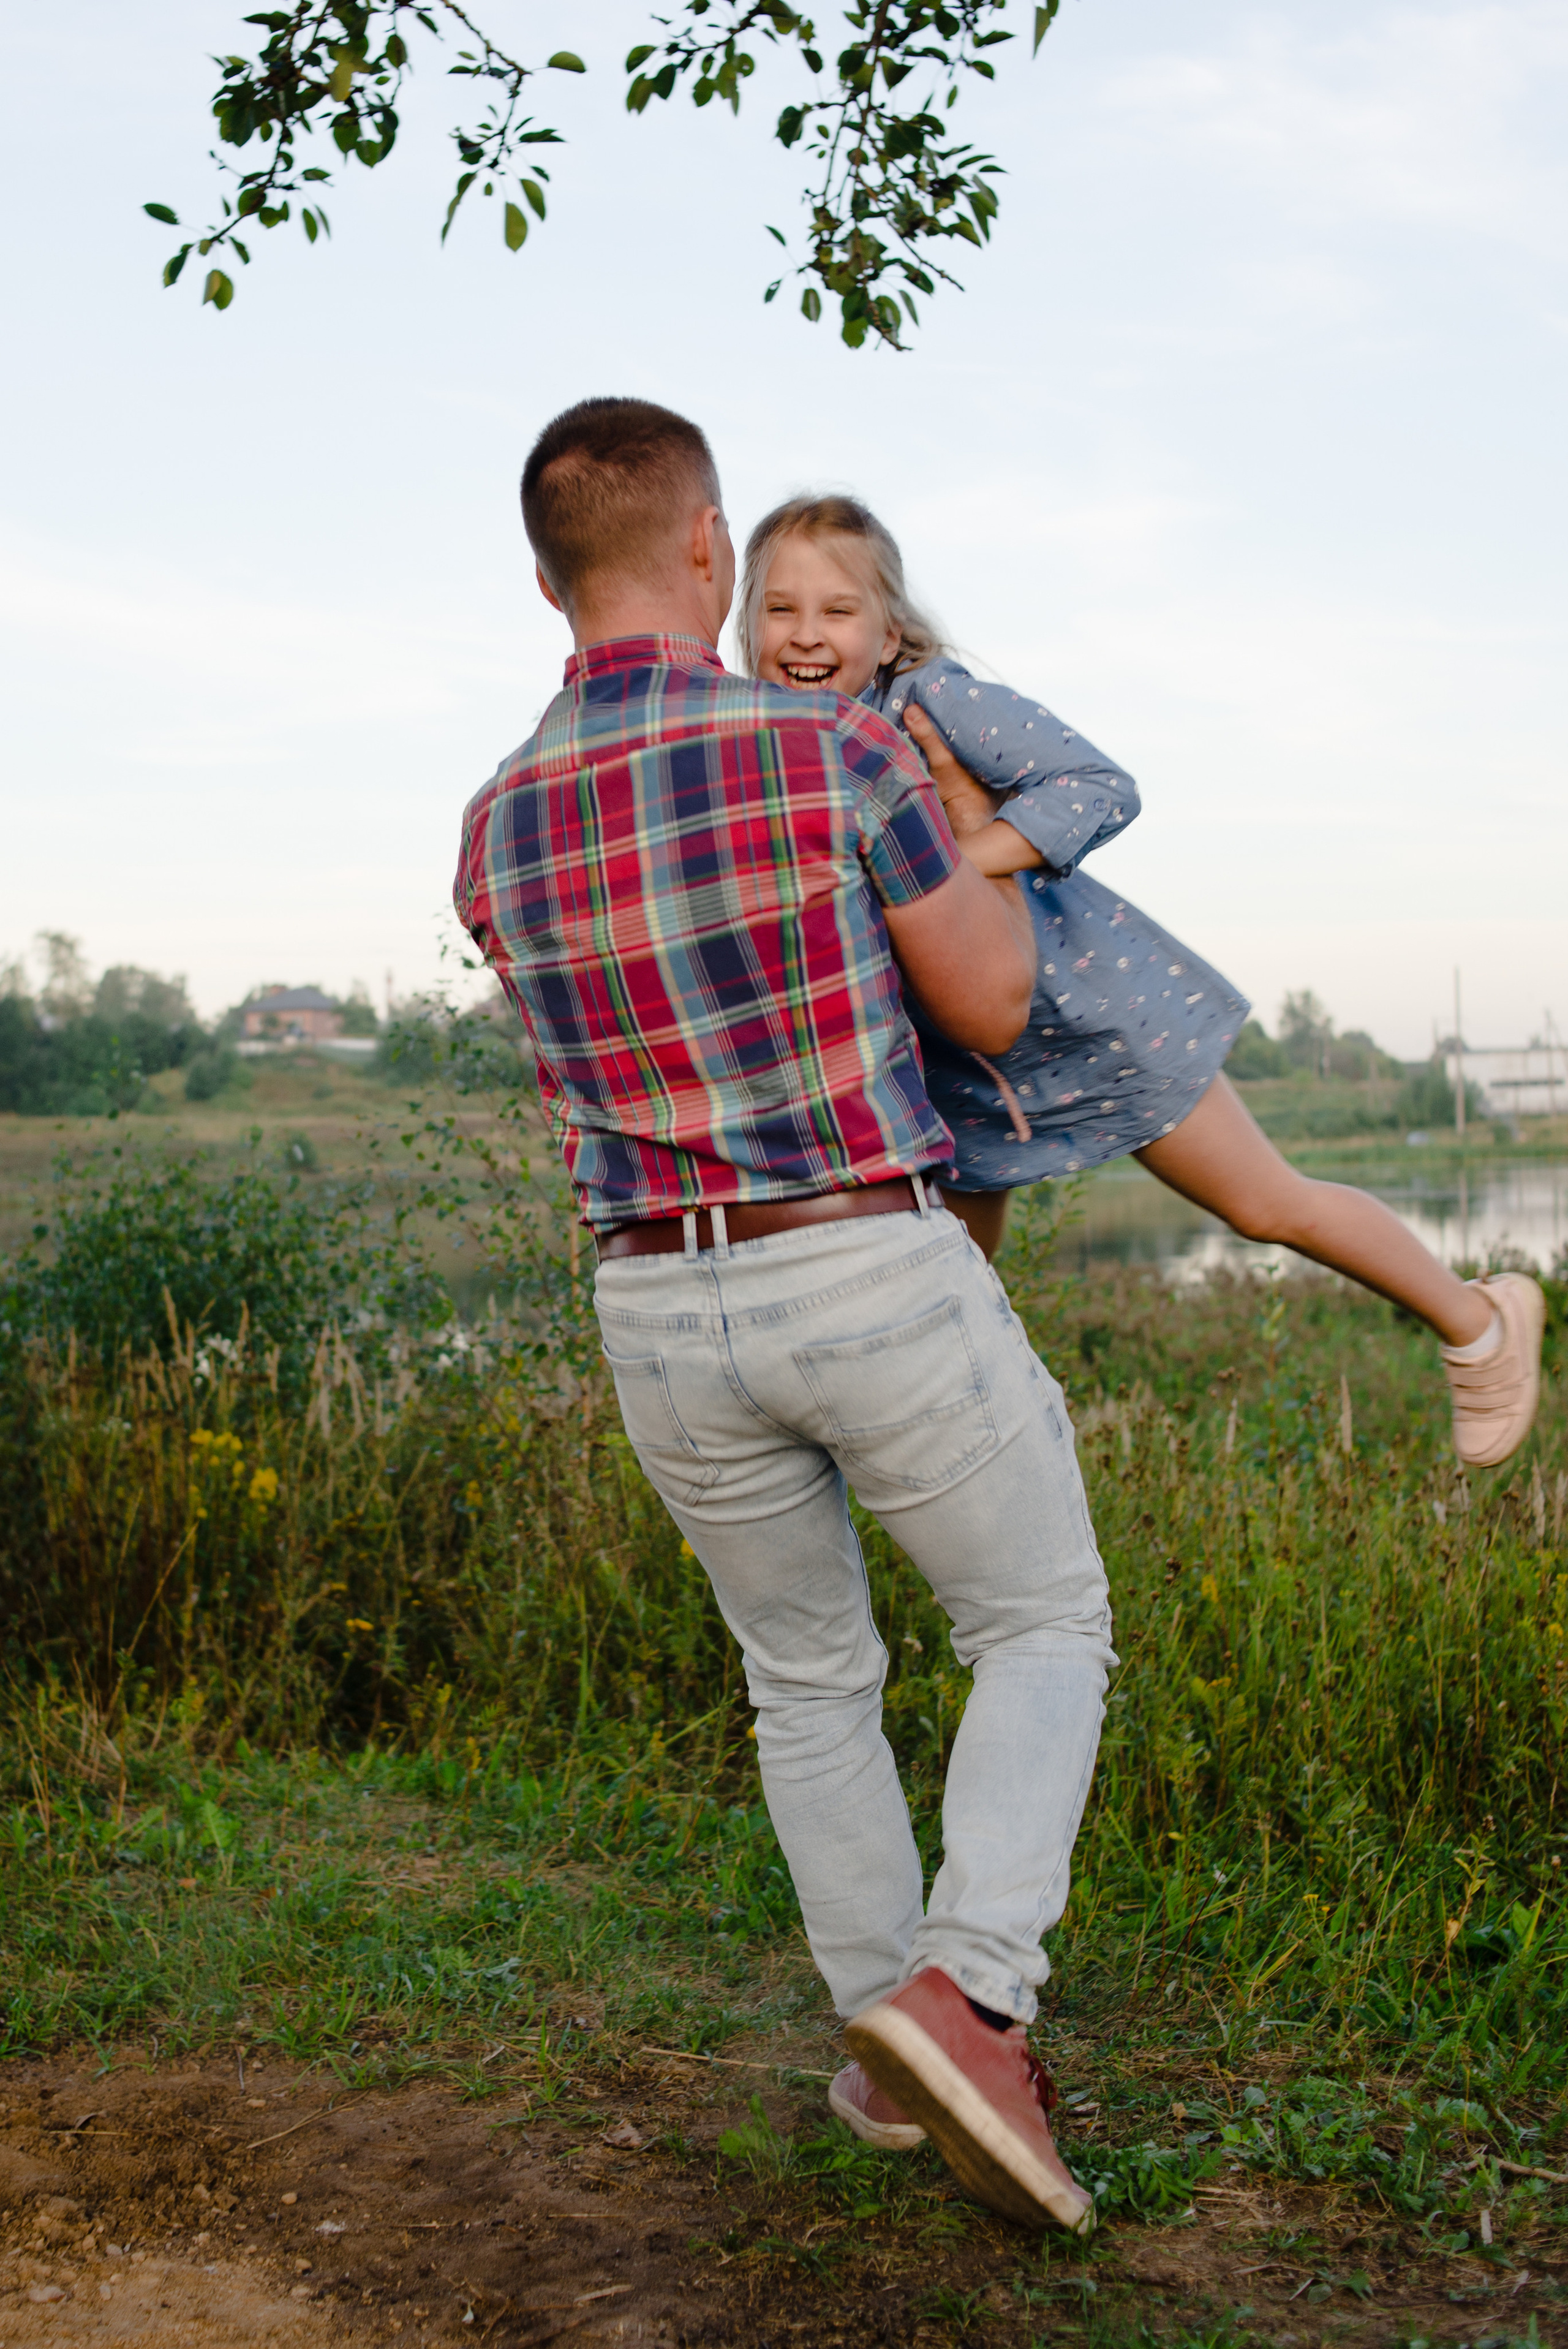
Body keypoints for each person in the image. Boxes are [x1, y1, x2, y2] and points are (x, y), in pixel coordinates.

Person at [453, 398, 1113, 2233]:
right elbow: (985, 1002)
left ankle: (879, 2057)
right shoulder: (821, 745)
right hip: (863, 1255)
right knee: (1043, 1618)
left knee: (805, 1679)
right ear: (709, 553)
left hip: (656, 1302)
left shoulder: (492, 827)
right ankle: (971, 2001)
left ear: (543, 583)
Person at [739, 496, 1545, 1471]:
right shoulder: (777, 754)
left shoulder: (932, 701)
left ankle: (1483, 1323)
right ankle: (949, 1466)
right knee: (947, 1284)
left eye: (837, 611)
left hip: (1096, 1017)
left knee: (1262, 1206)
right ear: (748, 625)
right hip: (963, 1075)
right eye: (782, 611)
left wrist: (966, 859)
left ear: (890, 627)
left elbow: (1096, 785)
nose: (808, 635)